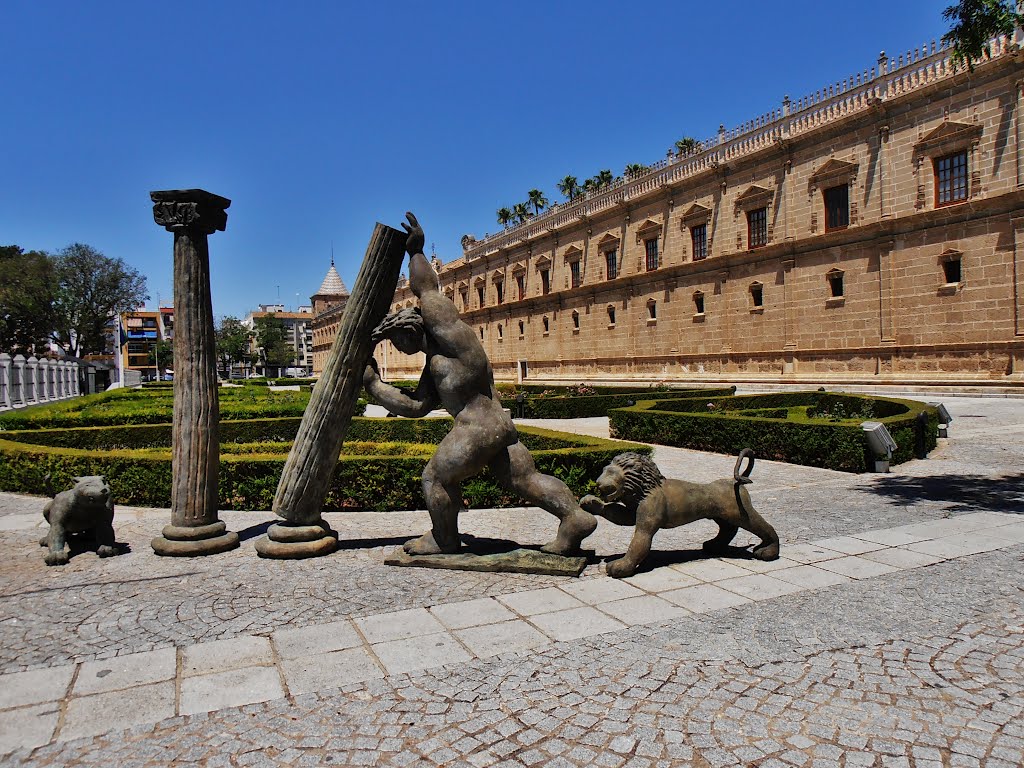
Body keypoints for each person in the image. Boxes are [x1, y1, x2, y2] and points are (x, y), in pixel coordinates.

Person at [363, 213, 597, 556]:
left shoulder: (452, 337)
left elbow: (427, 290)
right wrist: (374, 385)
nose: (397, 348)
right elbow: (415, 407)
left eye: (397, 340)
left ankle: (444, 539)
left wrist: (415, 253)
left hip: (475, 429)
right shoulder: (437, 365)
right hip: (500, 425)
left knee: (435, 478)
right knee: (524, 480)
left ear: (411, 331)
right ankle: (573, 517)